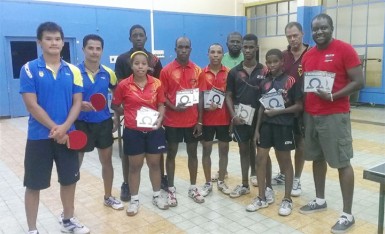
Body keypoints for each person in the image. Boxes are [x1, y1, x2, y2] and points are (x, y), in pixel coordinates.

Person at [19, 22, 89, 234]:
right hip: (39, 137)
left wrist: (65, 128)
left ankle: (68, 220)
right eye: (48, 39)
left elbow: (77, 102)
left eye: (57, 39)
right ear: (39, 42)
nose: (54, 42)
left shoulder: (74, 71)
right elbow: (31, 104)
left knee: (69, 181)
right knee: (33, 185)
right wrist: (55, 128)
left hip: (67, 136)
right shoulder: (29, 69)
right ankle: (32, 229)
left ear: (62, 42)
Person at [299, 13, 364, 233]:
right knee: (317, 159)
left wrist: (333, 96)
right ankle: (320, 200)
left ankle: (347, 214)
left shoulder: (344, 49)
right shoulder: (308, 55)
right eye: (315, 29)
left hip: (335, 115)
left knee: (342, 162)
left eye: (323, 28)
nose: (319, 32)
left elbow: (359, 82)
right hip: (311, 114)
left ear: (331, 28)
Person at [111, 51, 168, 216]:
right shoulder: (124, 85)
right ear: (131, 65)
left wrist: (160, 118)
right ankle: (134, 200)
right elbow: (115, 105)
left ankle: (157, 196)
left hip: (154, 131)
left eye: (144, 63)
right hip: (133, 131)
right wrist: (127, 112)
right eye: (137, 63)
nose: (140, 66)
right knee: (134, 166)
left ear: (148, 65)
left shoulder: (157, 83)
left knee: (155, 165)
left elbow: (161, 105)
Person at [247, 49, 302, 216]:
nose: (271, 65)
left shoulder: (291, 81)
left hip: (283, 127)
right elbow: (262, 108)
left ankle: (287, 199)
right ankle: (262, 197)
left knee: (285, 162)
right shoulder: (264, 83)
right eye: (268, 62)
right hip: (265, 127)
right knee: (260, 159)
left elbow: (299, 107)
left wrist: (278, 112)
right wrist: (256, 130)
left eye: (275, 61)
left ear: (282, 62)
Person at [114, 24, 163, 202]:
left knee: (155, 159)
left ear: (146, 38)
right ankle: (127, 185)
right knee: (132, 158)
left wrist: (159, 114)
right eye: (135, 35)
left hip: (152, 118)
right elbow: (119, 90)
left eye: (141, 35)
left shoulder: (155, 60)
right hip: (132, 118)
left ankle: (159, 184)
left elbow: (159, 83)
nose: (138, 38)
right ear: (130, 38)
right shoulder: (121, 59)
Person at [75, 34, 124, 210]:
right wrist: (79, 105)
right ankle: (69, 207)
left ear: (102, 50)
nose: (94, 52)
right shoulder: (73, 72)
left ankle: (108, 196)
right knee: (74, 166)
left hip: (103, 123)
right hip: (80, 125)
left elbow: (117, 100)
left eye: (98, 48)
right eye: (90, 48)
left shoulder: (108, 73)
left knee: (107, 162)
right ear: (83, 49)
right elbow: (67, 99)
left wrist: (116, 117)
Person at [160, 37, 206, 206]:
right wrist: (173, 107)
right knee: (171, 154)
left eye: (186, 47)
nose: (183, 50)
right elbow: (162, 96)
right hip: (172, 121)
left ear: (191, 49)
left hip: (192, 121)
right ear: (175, 49)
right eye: (180, 47)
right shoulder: (166, 71)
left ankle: (193, 187)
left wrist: (200, 121)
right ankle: (171, 189)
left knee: (193, 154)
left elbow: (200, 96)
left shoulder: (197, 71)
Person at [225, 34, 268, 198]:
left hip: (261, 120)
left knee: (262, 153)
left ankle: (265, 185)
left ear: (256, 48)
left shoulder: (264, 70)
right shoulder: (234, 72)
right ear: (242, 48)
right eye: (246, 47)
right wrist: (233, 115)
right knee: (244, 150)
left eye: (251, 47)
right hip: (241, 118)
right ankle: (244, 184)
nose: (248, 50)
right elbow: (228, 95)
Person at [271, 22, 311, 197]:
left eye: (295, 35)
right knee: (282, 144)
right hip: (284, 108)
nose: (292, 39)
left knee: (300, 143)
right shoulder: (282, 56)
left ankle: (297, 179)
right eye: (289, 36)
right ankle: (283, 173)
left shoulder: (312, 54)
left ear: (302, 34)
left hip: (306, 107)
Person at [199, 43, 232, 196]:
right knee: (206, 150)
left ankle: (221, 180)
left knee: (224, 151)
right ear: (208, 54)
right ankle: (207, 183)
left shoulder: (229, 73)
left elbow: (232, 97)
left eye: (219, 52)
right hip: (206, 121)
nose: (216, 55)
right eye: (212, 52)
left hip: (224, 120)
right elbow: (200, 98)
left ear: (222, 55)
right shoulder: (201, 73)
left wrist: (232, 119)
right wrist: (200, 117)